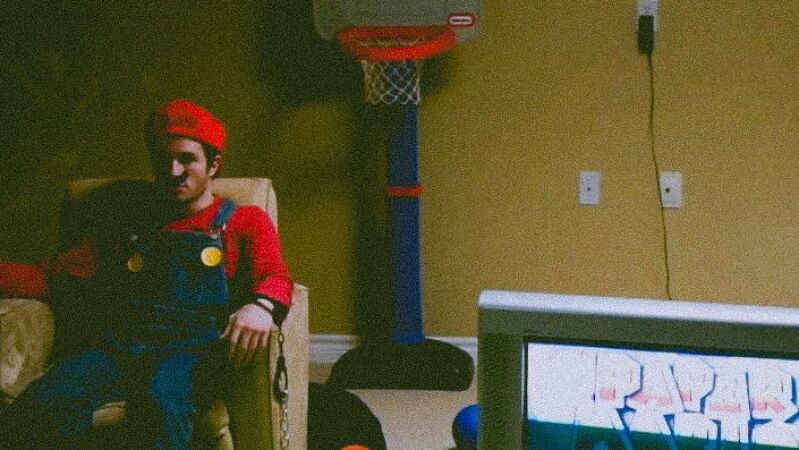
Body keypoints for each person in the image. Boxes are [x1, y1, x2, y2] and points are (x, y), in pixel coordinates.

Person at [0, 99, 294, 449]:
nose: (173, 171)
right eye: (162, 159)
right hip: (120, 349)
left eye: (187, 159)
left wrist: (260, 307)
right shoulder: (129, 221)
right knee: (41, 403)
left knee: (162, 404)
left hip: (193, 355)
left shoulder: (245, 221)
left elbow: (275, 277)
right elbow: (52, 276)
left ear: (213, 164)